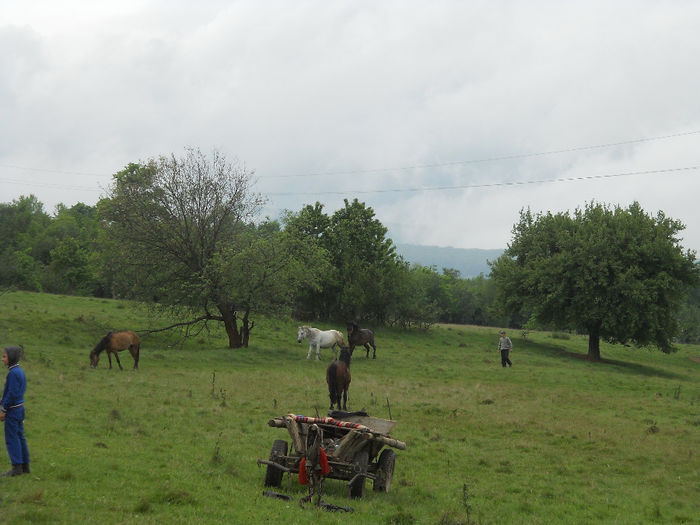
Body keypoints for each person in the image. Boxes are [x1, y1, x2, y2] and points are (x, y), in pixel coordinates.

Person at [1, 346, 30, 477]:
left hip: (12, 411)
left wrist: (3, 409)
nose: (2, 359)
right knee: (20, 436)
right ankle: (25, 466)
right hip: (20, 408)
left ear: (11, 358)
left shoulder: (12, 373)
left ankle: (16, 468)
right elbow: (17, 391)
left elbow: (12, 393)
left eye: (4, 356)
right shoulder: (20, 371)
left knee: (12, 438)